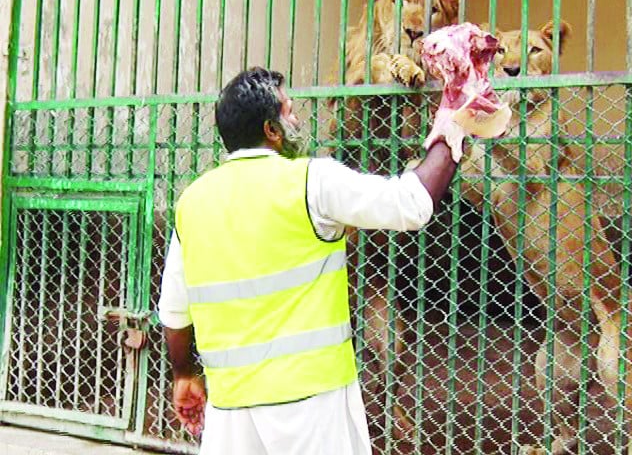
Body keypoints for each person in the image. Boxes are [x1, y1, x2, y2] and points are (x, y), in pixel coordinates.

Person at [158, 67, 467, 455]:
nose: (297, 119)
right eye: (289, 111)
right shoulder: (312, 181)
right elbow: (411, 204)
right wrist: (455, 122)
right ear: (271, 130)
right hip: (313, 404)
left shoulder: (193, 202)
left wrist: (184, 375)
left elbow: (173, 312)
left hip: (230, 407)